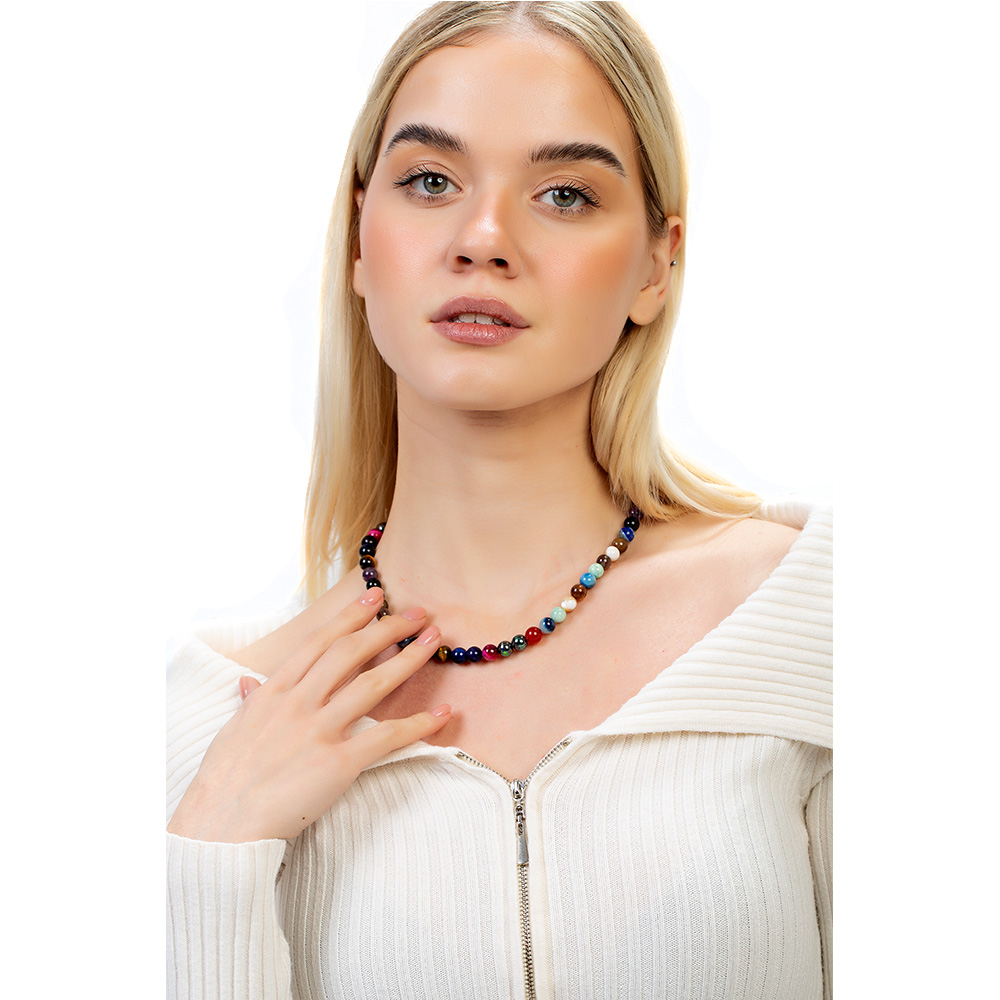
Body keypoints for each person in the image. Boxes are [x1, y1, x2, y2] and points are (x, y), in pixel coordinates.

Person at [166, 2, 832, 998]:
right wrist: (214, 847)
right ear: (359, 239)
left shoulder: (807, 619)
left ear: (657, 263)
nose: (483, 239)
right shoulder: (209, 725)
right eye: (431, 181)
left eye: (564, 194)